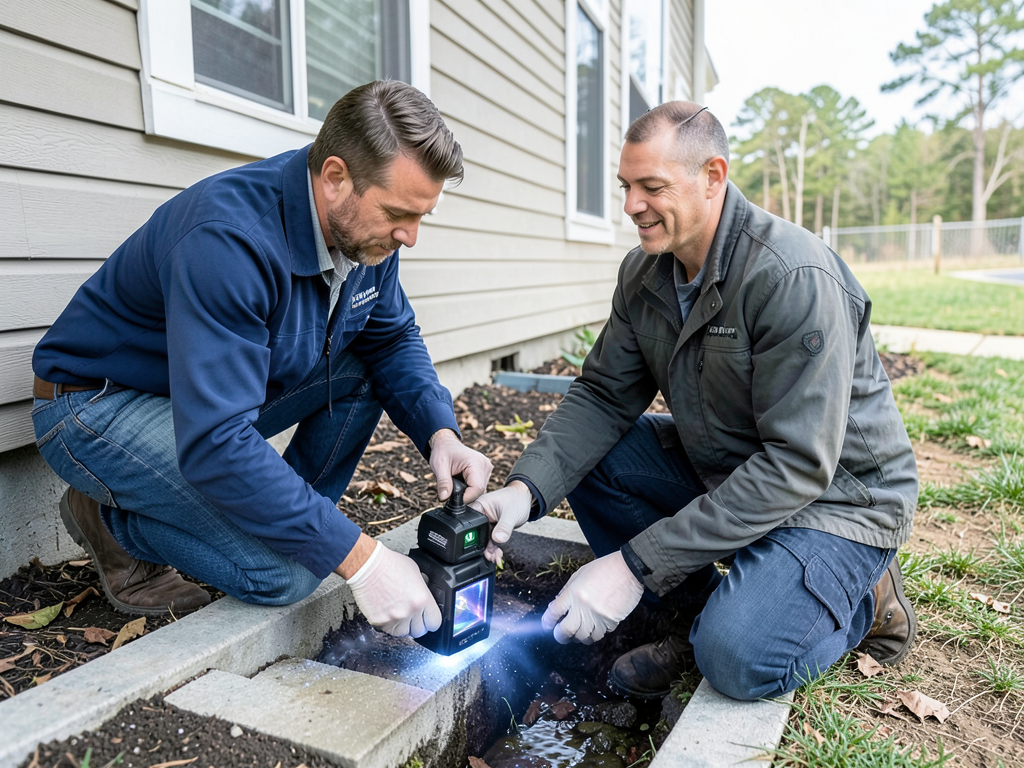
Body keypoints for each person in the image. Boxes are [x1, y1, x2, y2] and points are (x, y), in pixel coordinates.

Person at [472, 102, 918, 701]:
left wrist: (631, 566)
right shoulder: (645, 273)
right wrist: (524, 491)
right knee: (597, 460)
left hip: (837, 500)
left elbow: (797, 465)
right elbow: (604, 396)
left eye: (651, 187)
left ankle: (863, 603)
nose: (631, 205)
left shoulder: (792, 277)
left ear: (713, 177)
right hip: (731, 472)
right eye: (626, 186)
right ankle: (700, 611)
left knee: (735, 660)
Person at [31, 81, 492, 639]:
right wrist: (363, 560)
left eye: (422, 216)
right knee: (290, 574)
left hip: (196, 398)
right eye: (398, 213)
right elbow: (217, 439)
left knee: (359, 391)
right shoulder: (228, 239)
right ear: (335, 177)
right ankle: (107, 521)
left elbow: (390, 339)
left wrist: (440, 432)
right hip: (96, 405)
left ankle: (272, 520)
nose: (411, 237)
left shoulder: (367, 236)